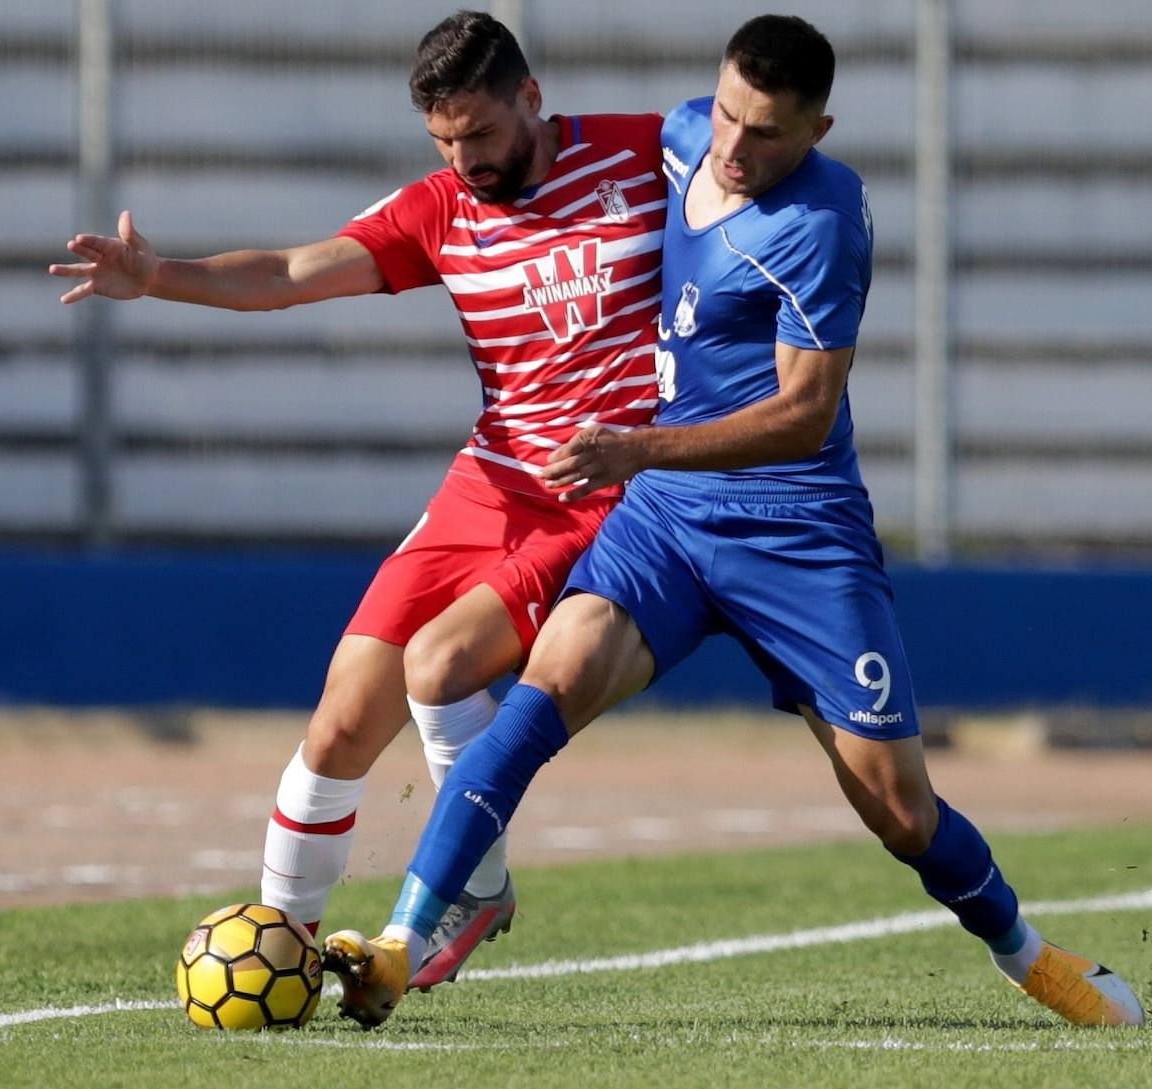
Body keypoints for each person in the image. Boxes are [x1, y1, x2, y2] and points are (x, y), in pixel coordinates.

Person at [320, 14, 1146, 1030]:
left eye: (766, 133)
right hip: (667, 523)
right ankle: (402, 944)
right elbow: (556, 170)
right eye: (726, 115)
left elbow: (803, 417)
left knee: (899, 811)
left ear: (818, 129)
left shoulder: (825, 221)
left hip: (797, 536)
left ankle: (1030, 957)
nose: (733, 148)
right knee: (545, 686)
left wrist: (637, 447)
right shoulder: (679, 138)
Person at [49, 11, 665, 989]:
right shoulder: (441, 208)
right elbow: (294, 272)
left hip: (605, 495)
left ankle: (475, 883)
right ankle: (280, 950)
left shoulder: (648, 156)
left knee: (444, 667)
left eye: (482, 135)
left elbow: (754, 184)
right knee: (340, 721)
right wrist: (158, 277)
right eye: (445, 142)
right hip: (488, 485)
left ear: (533, 100)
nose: (466, 159)